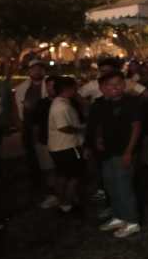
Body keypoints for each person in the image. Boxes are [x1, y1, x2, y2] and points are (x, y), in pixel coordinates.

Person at [89, 71, 143, 238]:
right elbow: (99, 124)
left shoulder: (131, 102)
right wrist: (98, 138)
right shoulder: (102, 104)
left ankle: (132, 221)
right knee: (111, 185)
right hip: (107, 152)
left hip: (124, 151)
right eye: (110, 85)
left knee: (123, 186)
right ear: (102, 88)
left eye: (119, 83)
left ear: (124, 85)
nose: (115, 88)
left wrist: (128, 152)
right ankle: (119, 216)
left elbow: (136, 127)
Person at [47, 77, 84, 214]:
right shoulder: (61, 107)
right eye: (75, 88)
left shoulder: (60, 103)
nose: (77, 91)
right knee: (74, 177)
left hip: (59, 147)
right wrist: (81, 129)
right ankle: (67, 204)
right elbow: (63, 127)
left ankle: (63, 200)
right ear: (68, 89)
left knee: (62, 175)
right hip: (66, 146)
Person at [14, 60, 49, 187]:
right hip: (28, 126)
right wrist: (19, 123)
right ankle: (36, 181)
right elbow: (17, 108)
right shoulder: (21, 89)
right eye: (34, 69)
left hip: (46, 126)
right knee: (31, 154)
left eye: (40, 69)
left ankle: (48, 182)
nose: (37, 71)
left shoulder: (51, 85)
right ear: (29, 71)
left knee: (46, 154)